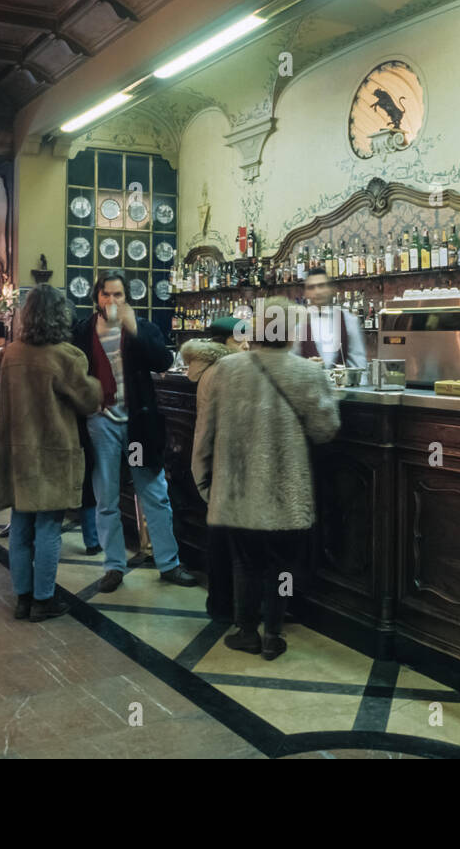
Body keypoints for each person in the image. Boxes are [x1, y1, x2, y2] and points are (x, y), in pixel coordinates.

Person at [192, 296, 340, 660]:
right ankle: (274, 633)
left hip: (239, 485)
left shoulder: (227, 370)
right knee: (282, 564)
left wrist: (203, 477)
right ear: (292, 333)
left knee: (246, 562)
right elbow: (325, 429)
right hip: (285, 489)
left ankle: (246, 631)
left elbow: (206, 429)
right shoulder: (308, 373)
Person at [72, 271, 198, 593]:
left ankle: (169, 563)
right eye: (106, 295)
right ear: (97, 297)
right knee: (106, 498)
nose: (112, 301)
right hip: (101, 423)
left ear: (127, 299)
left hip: (139, 424)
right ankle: (114, 566)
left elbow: (163, 361)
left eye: (118, 296)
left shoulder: (142, 329)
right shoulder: (83, 332)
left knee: (153, 493)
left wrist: (135, 329)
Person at [0, 284, 102, 622]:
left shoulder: (7, 355)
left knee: (21, 525)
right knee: (49, 527)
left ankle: (23, 599)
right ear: (60, 315)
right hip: (52, 453)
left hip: (15, 453)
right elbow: (89, 401)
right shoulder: (66, 355)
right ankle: (44, 599)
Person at [178, 317, 241, 622]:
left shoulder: (209, 369)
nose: (246, 343)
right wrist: (202, 475)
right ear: (222, 342)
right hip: (224, 467)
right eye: (239, 339)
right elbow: (207, 429)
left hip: (217, 467)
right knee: (228, 540)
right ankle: (226, 606)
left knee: (220, 537)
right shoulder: (224, 372)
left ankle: (221, 605)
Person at [293, 267, 366, 371]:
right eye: (311, 287)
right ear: (305, 293)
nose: (317, 291)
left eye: (321, 286)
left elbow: (359, 363)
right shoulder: (298, 323)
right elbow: (290, 362)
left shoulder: (349, 320)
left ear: (332, 289)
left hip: (342, 386)